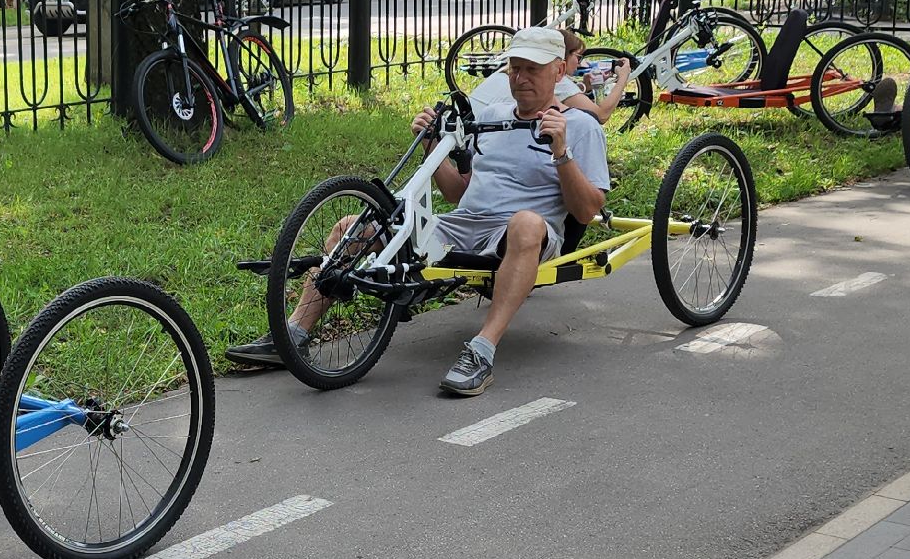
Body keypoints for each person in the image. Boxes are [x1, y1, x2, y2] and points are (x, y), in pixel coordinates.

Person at [226, 27, 610, 397]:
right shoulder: (491, 115)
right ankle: (293, 334)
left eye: (533, 69)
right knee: (352, 228)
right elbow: (458, 193)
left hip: (527, 233)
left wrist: (561, 152)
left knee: (525, 222)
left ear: (559, 71)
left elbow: (587, 210)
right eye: (515, 68)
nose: (521, 78)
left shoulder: (580, 126)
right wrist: (431, 146)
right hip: (464, 224)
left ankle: (482, 350)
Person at [470, 28, 634, 125]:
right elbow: (600, 115)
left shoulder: (508, 71)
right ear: (561, 62)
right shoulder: (557, 79)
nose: (579, 63)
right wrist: (622, 79)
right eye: (578, 57)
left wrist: (584, 86)